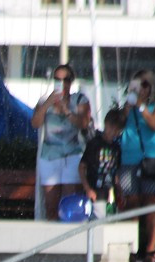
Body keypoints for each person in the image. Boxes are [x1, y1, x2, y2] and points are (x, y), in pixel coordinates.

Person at [118, 70, 155, 262]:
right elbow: (117, 125)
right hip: (129, 160)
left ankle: (150, 249)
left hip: (151, 161)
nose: (141, 89)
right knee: (131, 206)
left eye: (144, 85)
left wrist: (141, 106)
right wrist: (127, 110)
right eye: (137, 85)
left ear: (151, 88)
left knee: (151, 206)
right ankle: (131, 249)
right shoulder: (128, 108)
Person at [32, 64, 93, 221]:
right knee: (51, 205)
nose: (62, 83)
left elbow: (84, 123)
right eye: (58, 79)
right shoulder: (44, 101)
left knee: (70, 203)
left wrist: (66, 110)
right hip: (50, 156)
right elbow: (35, 123)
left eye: (65, 80)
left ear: (71, 81)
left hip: (72, 155)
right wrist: (48, 104)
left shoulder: (79, 99)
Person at [80, 108, 124, 218]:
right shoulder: (94, 144)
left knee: (110, 223)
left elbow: (116, 172)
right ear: (106, 123)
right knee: (98, 221)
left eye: (117, 130)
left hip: (111, 194)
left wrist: (119, 190)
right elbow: (81, 167)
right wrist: (88, 189)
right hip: (96, 192)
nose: (113, 132)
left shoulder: (116, 148)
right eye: (111, 128)